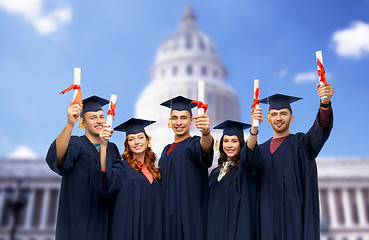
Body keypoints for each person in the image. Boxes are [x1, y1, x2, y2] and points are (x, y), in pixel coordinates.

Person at [257, 83, 334, 240]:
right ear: (268, 119)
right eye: (274, 114)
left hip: (295, 222)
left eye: (283, 113)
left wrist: (324, 103)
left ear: (291, 118)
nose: (279, 118)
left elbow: (320, 130)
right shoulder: (259, 151)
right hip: (265, 223)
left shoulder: (302, 144)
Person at [46, 95, 121, 240]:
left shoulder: (112, 149)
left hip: (105, 222)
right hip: (78, 224)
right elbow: (58, 159)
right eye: (92, 118)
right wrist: (70, 124)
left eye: (101, 116)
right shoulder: (75, 143)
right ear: (83, 123)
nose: (99, 120)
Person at [159, 95, 214, 240]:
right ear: (170, 121)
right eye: (174, 118)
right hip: (168, 219)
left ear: (191, 121)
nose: (178, 122)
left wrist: (206, 132)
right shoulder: (165, 151)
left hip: (190, 218)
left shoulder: (193, 144)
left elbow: (205, 148)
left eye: (183, 118)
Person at [97, 118, 162, 240]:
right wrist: (103, 145)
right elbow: (106, 182)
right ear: (127, 145)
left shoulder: (155, 173)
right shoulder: (122, 168)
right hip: (128, 233)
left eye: (140, 137)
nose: (137, 142)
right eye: (131, 139)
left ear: (147, 140)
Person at [208, 107, 264, 240]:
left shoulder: (244, 169)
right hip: (215, 231)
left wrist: (254, 129)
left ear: (241, 144)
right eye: (226, 141)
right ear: (221, 144)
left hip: (236, 231)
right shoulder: (215, 174)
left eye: (234, 141)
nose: (229, 145)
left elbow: (249, 155)